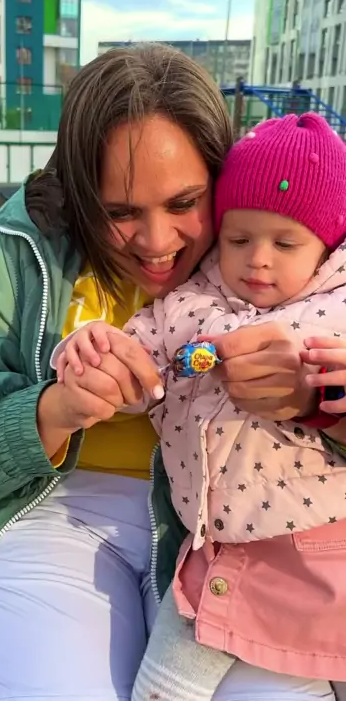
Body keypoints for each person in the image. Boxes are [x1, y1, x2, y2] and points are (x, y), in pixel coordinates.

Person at [0, 47, 343, 701]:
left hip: (247, 541)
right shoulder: (19, 252)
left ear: (225, 178)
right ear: (77, 192)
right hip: (44, 513)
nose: (157, 242)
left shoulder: (299, 250)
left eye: (185, 202)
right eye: (119, 212)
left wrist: (319, 399)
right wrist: (50, 411)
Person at [55, 112, 346, 701]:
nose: (258, 259)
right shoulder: (188, 305)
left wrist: (324, 397)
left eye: (285, 243)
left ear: (327, 246)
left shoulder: (337, 309)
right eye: (239, 239)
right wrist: (89, 352)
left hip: (325, 552)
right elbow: (136, 368)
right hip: (216, 558)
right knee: (162, 689)